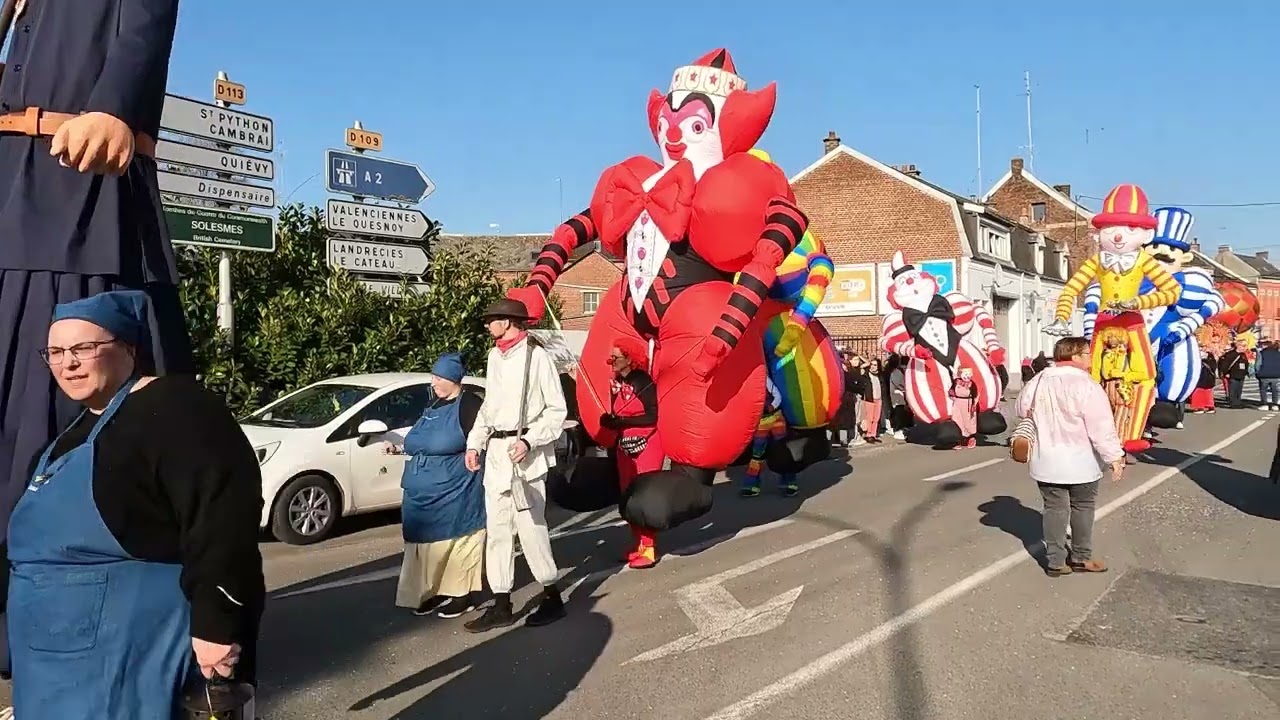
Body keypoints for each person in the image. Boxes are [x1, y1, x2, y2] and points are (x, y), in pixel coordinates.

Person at [0, 1, 196, 680]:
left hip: (83, 187)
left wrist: (114, 105)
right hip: (9, 190)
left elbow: (148, 18)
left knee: (74, 404)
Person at [4, 291, 263, 717]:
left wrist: (217, 625)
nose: (68, 364)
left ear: (127, 347)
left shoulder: (176, 408)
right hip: (50, 663)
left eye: (84, 348)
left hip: (124, 653)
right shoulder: (71, 432)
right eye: (56, 352)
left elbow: (222, 521)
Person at [464, 298, 569, 632]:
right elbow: (489, 407)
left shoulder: (537, 357)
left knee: (531, 529)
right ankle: (501, 604)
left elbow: (557, 410)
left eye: (491, 319)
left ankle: (552, 596)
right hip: (497, 455)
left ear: (508, 321)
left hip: (526, 457)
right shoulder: (494, 356)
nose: (487, 325)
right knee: (497, 532)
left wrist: (530, 441)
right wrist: (475, 442)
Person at [1016, 337, 1125, 578]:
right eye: (1087, 353)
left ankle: (1055, 561)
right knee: (1082, 507)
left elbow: (1021, 409)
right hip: (1081, 461)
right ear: (1075, 356)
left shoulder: (1039, 380)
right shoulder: (1087, 385)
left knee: (1054, 509)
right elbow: (1101, 426)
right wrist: (1114, 457)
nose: (1091, 357)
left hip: (1046, 459)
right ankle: (1081, 557)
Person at [388, 353, 487, 620]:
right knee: (424, 545)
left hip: (456, 489)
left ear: (454, 379)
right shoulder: (433, 404)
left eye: (439, 378)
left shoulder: (469, 405)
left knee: (458, 542)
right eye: (433, 377)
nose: (434, 383)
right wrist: (398, 448)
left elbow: (480, 441)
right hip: (421, 490)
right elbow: (420, 441)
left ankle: (461, 595)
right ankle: (431, 591)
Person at [599, 337, 664, 569]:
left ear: (629, 358)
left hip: (647, 444)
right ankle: (637, 543)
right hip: (625, 445)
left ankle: (649, 547)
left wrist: (623, 421)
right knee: (628, 494)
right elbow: (618, 412)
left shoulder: (642, 381)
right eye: (611, 357)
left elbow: (653, 415)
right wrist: (611, 422)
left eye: (616, 357)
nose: (612, 361)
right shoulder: (618, 381)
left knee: (643, 494)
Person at [741, 375, 797, 498]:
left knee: (783, 451)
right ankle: (751, 485)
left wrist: (770, 407)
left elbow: (777, 396)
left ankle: (789, 483)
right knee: (757, 454)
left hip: (776, 418)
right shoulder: (743, 383)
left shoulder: (763, 378)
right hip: (760, 422)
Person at [950, 367, 979, 449]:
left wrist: (974, 404)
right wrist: (953, 398)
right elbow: (951, 391)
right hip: (958, 403)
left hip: (968, 404)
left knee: (969, 421)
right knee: (957, 420)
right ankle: (958, 440)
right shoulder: (956, 382)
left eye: (969, 374)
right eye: (965, 374)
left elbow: (975, 395)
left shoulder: (972, 384)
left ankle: (970, 438)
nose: (967, 376)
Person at [1218, 340, 1251, 409]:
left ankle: (1238, 402)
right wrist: (1226, 373)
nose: (1245, 348)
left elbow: (1246, 364)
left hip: (1241, 375)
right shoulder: (1231, 354)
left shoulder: (1243, 355)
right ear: (1238, 346)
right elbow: (1225, 364)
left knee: (1239, 390)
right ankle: (1233, 403)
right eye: (1243, 346)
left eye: (1245, 346)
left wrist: (1246, 372)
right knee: (1233, 389)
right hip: (1233, 374)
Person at [862, 358, 884, 443]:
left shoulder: (879, 375)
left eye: (875, 365)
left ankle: (873, 434)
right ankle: (868, 434)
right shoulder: (866, 374)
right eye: (871, 364)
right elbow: (861, 368)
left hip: (879, 398)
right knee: (869, 417)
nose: (873, 367)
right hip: (870, 398)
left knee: (876, 418)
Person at [1188, 350, 1217, 414]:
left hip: (1200, 381)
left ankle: (1199, 408)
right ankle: (1211, 407)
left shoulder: (1198, 363)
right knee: (1208, 395)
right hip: (1210, 381)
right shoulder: (1212, 362)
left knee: (1198, 394)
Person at [1254, 340, 1280, 411]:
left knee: (1263, 389)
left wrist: (1257, 372)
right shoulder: (1278, 353)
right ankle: (1275, 404)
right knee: (1275, 390)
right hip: (1276, 374)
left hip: (1264, 374)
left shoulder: (1261, 353)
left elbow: (1258, 364)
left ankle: (1264, 404)